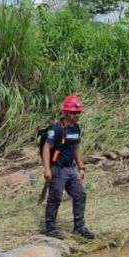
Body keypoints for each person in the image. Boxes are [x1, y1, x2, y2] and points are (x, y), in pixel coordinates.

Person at [42, 95, 95, 240]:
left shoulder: (76, 128)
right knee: (55, 198)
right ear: (65, 112)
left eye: (78, 112)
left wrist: (81, 167)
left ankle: (79, 227)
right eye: (73, 112)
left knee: (80, 195)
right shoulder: (57, 129)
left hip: (71, 169)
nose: (76, 115)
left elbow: (76, 148)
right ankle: (50, 229)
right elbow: (47, 147)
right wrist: (46, 169)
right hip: (57, 169)